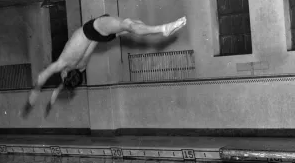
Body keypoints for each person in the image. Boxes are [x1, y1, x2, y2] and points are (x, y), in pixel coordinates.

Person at [22, 14, 187, 118]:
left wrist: (43, 103)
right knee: (130, 24)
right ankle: (162, 29)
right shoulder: (63, 64)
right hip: (93, 29)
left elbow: (57, 87)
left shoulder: (80, 68)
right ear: (65, 75)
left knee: (133, 24)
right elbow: (40, 79)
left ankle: (160, 29)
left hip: (103, 36)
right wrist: (31, 102)